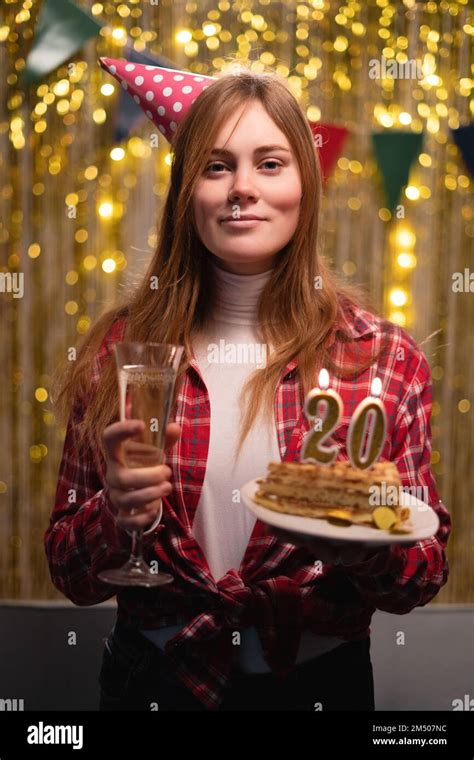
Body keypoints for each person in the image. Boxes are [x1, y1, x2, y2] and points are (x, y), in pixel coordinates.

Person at [44, 61, 451, 712]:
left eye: (269, 163)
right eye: (215, 166)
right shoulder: (120, 352)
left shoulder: (382, 358)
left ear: (305, 185)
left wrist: (365, 542)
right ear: (187, 191)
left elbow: (422, 577)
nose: (242, 189)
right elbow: (69, 574)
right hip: (154, 683)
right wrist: (113, 519)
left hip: (317, 690)